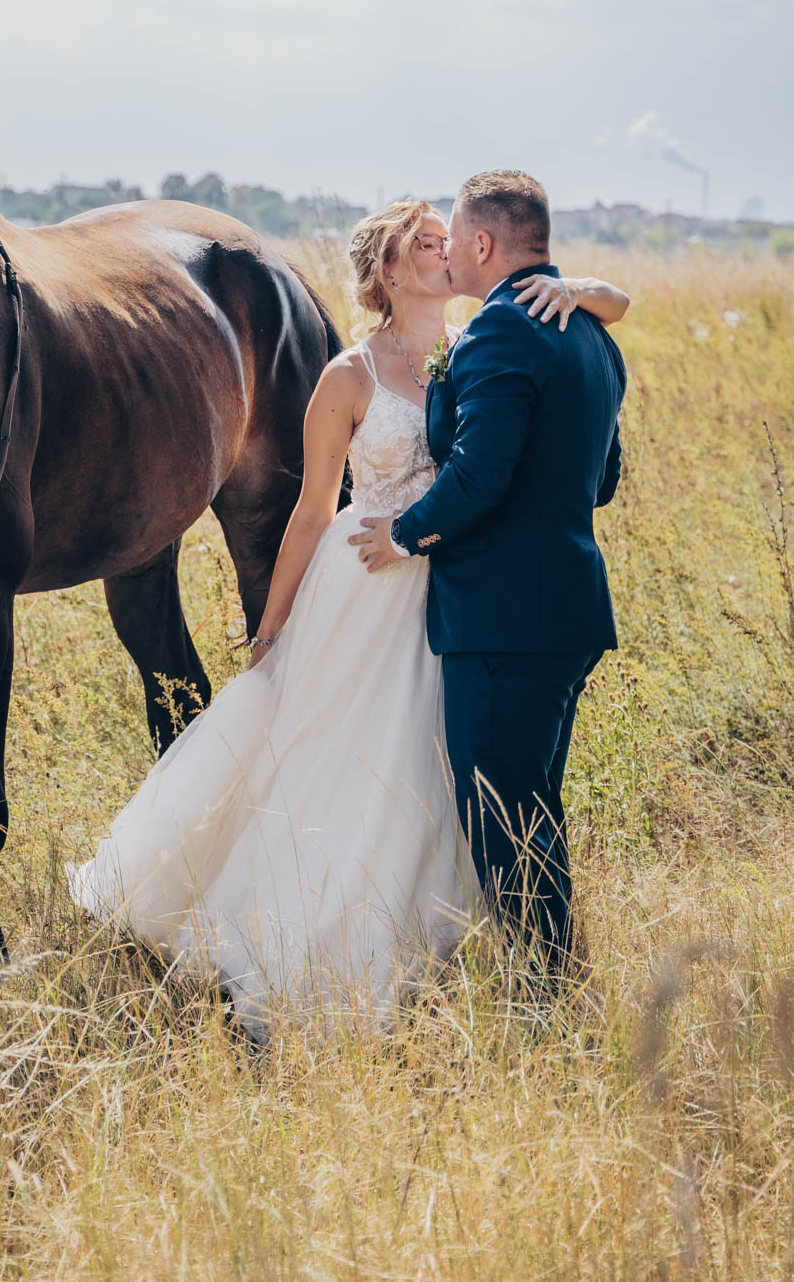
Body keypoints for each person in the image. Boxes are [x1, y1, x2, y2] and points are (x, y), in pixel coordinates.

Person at [67, 193, 629, 1037]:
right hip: (366, 582)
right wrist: (273, 623)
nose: (446, 251)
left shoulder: (478, 342)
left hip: (451, 586)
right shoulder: (348, 375)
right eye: (427, 242)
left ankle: (434, 941)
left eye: (450, 238)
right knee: (339, 758)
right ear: (389, 270)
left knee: (440, 770)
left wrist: (581, 287)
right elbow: (311, 512)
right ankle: (309, 938)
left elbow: (508, 447)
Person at [349, 171, 627, 984]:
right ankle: (552, 975)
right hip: (565, 608)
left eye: (456, 239)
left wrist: (404, 535)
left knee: (501, 820)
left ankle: (538, 998)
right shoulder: (588, 333)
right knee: (533, 808)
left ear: (482, 245)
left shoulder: (502, 332)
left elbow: (480, 474)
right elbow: (602, 476)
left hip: (505, 621)